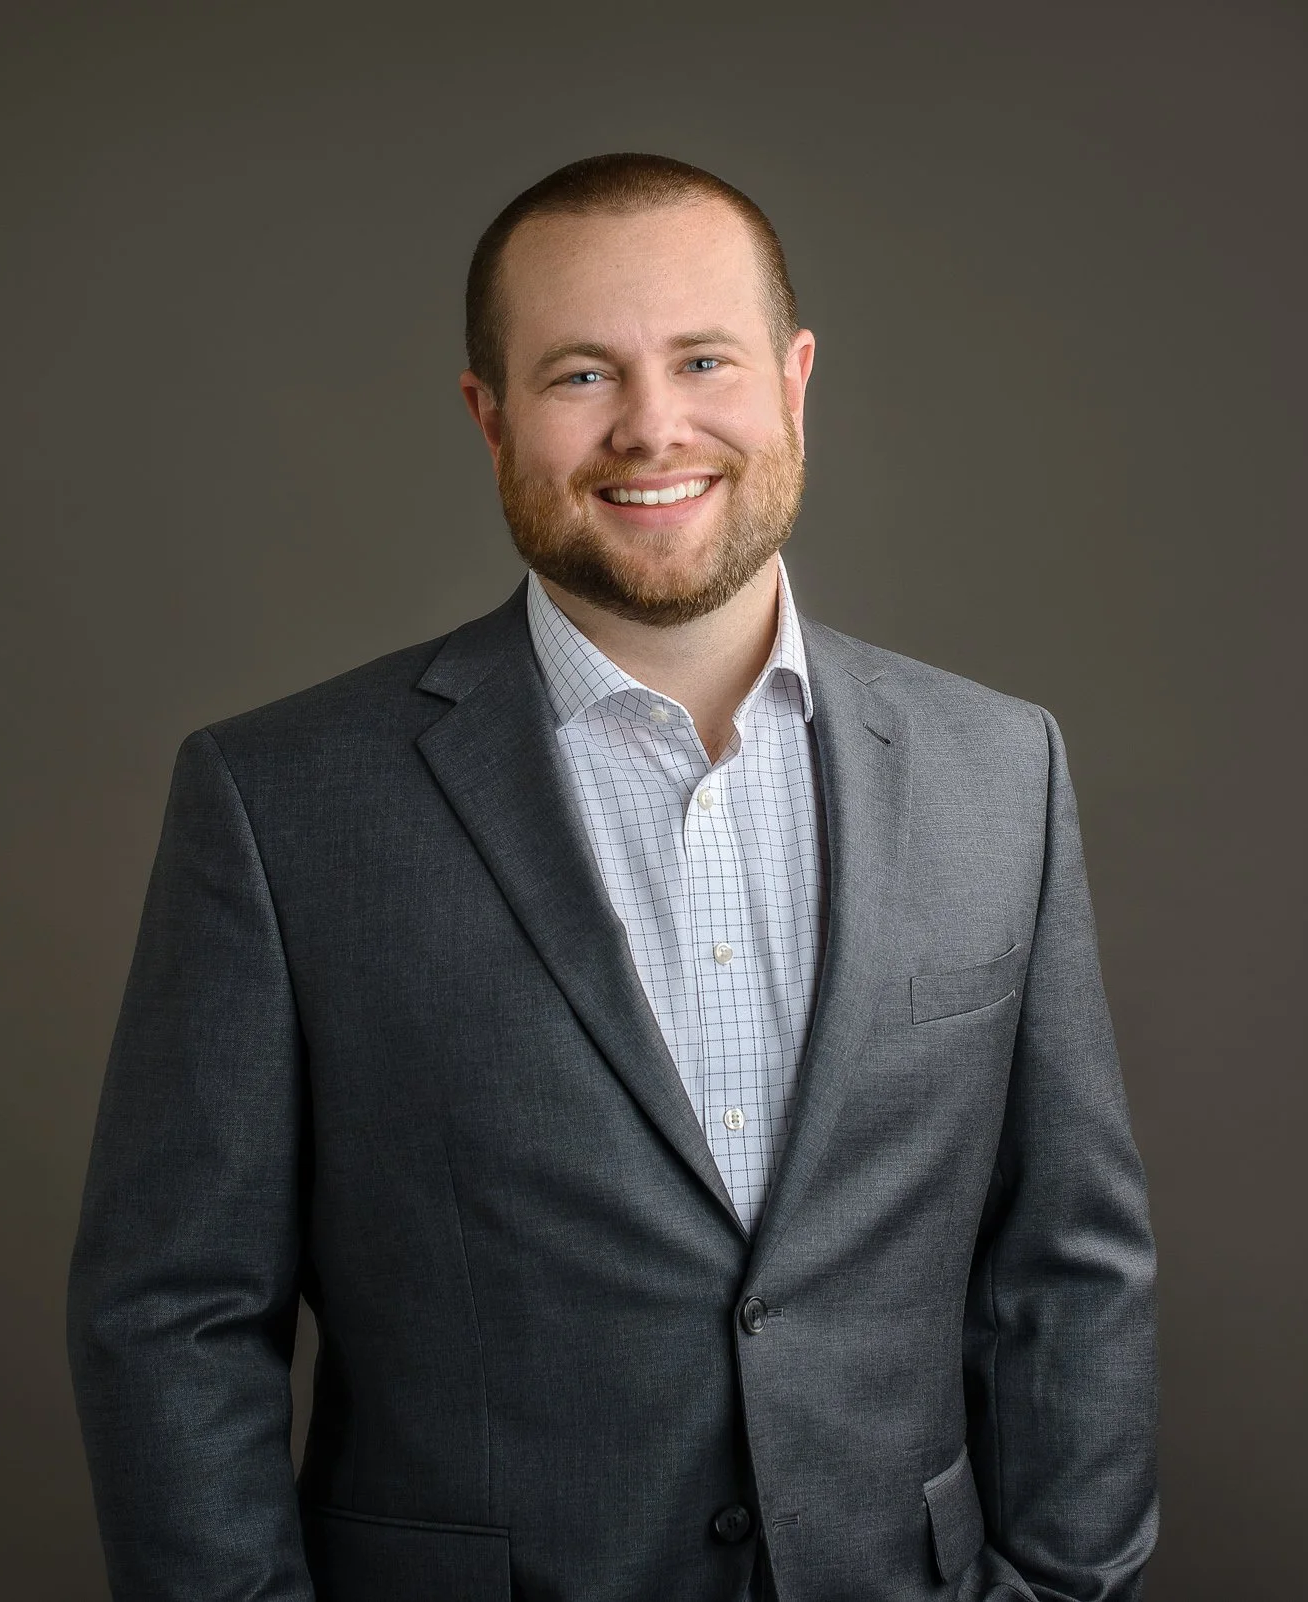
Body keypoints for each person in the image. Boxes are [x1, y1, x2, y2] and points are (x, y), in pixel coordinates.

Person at [68, 152, 1158, 1602]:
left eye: (704, 359)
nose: (654, 428)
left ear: (793, 378)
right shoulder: (279, 803)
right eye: (582, 373)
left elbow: (1070, 1267)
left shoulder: (998, 770)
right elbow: (174, 1314)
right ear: (490, 412)